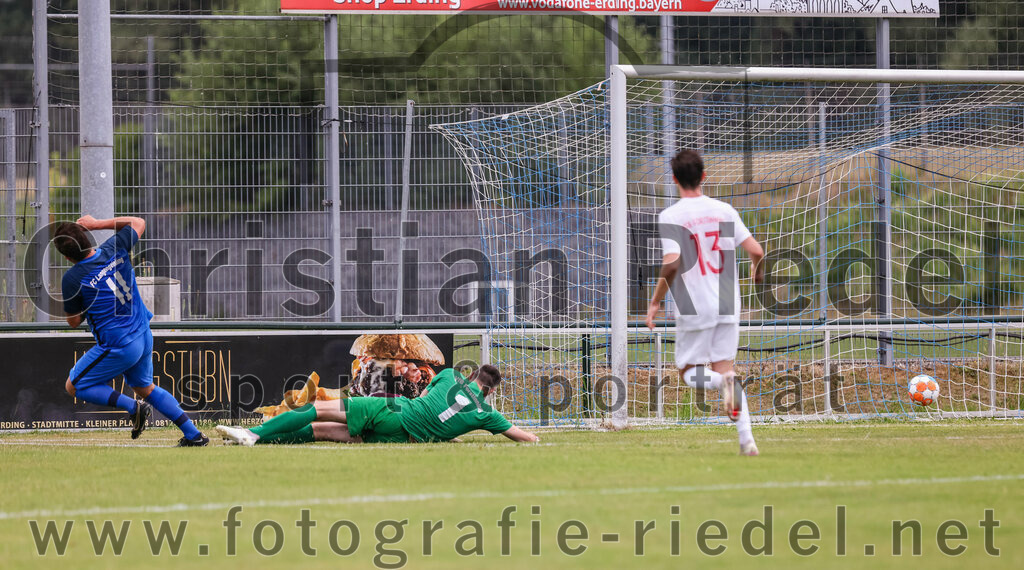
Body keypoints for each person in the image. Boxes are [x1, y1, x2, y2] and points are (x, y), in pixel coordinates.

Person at [645, 149, 765, 456]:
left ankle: (725, 387)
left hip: (693, 302)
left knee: (690, 372)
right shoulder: (724, 210)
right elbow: (757, 250)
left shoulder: (671, 215)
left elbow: (672, 264)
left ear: (674, 180)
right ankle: (747, 441)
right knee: (727, 370)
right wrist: (756, 270)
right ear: (704, 176)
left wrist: (655, 302)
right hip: (727, 300)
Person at [55, 215, 209, 446]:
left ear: (67, 257)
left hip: (120, 344)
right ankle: (194, 435)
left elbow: (74, 322)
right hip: (143, 332)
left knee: (74, 385)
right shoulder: (112, 248)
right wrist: (97, 223)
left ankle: (133, 407)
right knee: (145, 387)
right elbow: (138, 222)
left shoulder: (73, 278)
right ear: (88, 239)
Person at [215, 364, 539, 446]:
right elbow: (523, 437)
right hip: (404, 437)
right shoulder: (487, 414)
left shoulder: (451, 376)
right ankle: (251, 438)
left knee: (318, 410)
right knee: (324, 432)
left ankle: (254, 434)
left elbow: (426, 398)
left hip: (395, 410)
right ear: (491, 391)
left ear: (471, 376)